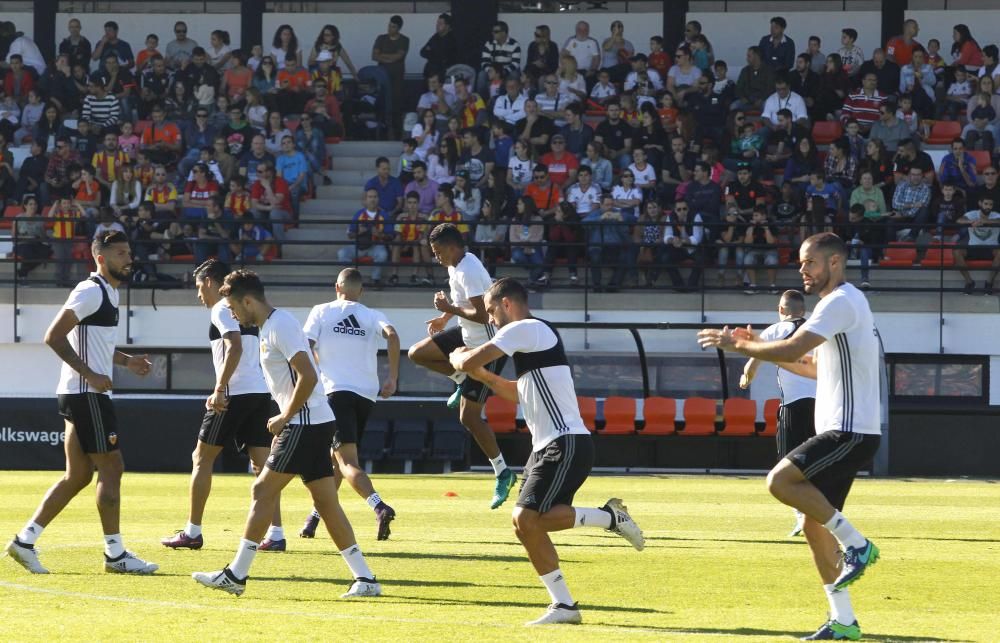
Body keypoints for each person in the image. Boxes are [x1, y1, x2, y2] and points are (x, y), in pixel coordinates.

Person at [698, 232, 884, 642]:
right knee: (814, 527)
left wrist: (739, 346)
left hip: (848, 430)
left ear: (834, 262)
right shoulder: (839, 303)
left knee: (779, 481)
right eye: (801, 263)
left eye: (809, 263)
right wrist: (757, 343)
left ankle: (856, 543)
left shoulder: (840, 301)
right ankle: (844, 622)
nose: (802, 270)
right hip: (849, 428)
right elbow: (811, 365)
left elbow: (790, 350)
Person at [449, 277, 644, 626]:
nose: (491, 318)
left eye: (491, 310)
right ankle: (571, 593)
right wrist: (480, 374)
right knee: (527, 524)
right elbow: (515, 391)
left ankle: (569, 597)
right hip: (550, 447)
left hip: (564, 443)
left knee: (526, 519)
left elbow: (470, 359)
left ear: (507, 304)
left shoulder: (526, 328)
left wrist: (460, 357)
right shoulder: (530, 340)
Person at [193, 270, 382, 598]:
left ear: (249, 301)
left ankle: (236, 575)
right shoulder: (271, 326)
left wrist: (284, 415)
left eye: (235, 308)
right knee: (326, 502)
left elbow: (308, 376)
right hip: (314, 421)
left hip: (304, 423)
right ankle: (365, 579)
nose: (234, 316)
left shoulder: (280, 325)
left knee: (261, 491)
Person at [5, 231, 157, 575]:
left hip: (79, 392)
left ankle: (24, 541)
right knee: (112, 468)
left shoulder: (108, 293)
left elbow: (97, 345)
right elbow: (53, 336)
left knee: (77, 476)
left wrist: (126, 360)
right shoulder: (91, 290)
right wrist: (89, 373)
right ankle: (116, 554)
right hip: (86, 394)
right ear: (100, 258)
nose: (128, 258)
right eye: (120, 253)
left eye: (129, 251)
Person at [161, 259, 282, 551]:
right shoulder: (245, 308)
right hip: (260, 393)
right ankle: (276, 535)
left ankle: (192, 532)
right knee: (262, 466)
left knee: (201, 458)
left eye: (200, 286)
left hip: (235, 394)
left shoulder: (221, 308)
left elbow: (234, 346)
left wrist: (219, 389)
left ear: (213, 282)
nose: (198, 294)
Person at [407, 223, 517, 508]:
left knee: (469, 418)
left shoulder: (469, 270)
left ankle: (502, 472)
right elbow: (465, 309)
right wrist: (445, 320)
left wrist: (449, 311)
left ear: (452, 247)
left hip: (487, 347)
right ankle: (460, 379)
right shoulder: (455, 266)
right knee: (418, 353)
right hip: (467, 336)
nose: (436, 257)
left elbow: (482, 316)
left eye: (438, 251)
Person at [298, 267, 399, 541]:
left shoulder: (321, 311)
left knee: (346, 461)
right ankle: (313, 520)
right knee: (335, 460)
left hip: (335, 392)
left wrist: (314, 371)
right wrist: (392, 377)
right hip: (366, 395)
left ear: (337, 287)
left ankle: (379, 506)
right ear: (361, 291)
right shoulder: (372, 315)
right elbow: (392, 335)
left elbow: (305, 344)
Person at [740, 289, 818, 537]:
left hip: (793, 405)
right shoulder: (816, 331)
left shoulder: (775, 330)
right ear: (803, 311)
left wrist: (746, 377)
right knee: (818, 461)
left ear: (781, 310)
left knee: (788, 464)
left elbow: (753, 359)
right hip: (822, 405)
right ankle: (823, 514)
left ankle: (802, 517)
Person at [337, 188, 391, 285]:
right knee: (342, 253)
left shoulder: (384, 215)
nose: (372, 199)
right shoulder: (359, 214)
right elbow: (350, 234)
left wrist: (379, 234)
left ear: (378, 199)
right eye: (370, 197)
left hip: (376, 245)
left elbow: (390, 236)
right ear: (365, 200)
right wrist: (359, 232)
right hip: (359, 245)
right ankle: (351, 279)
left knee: (383, 254)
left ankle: (376, 279)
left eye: (375, 197)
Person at [372, 15, 409, 136]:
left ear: (399, 28)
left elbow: (399, 56)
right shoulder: (381, 38)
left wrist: (383, 57)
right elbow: (374, 56)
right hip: (382, 78)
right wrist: (390, 58)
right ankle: (381, 128)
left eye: (393, 27)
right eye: (389, 25)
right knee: (382, 102)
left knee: (396, 104)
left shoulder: (404, 40)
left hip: (397, 79)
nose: (390, 28)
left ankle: (396, 130)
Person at [955, 195, 1000, 295]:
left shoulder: (996, 215)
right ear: (980, 204)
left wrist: (985, 221)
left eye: (990, 204)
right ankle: (969, 282)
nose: (988, 206)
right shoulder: (973, 214)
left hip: (991, 248)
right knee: (957, 252)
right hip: (973, 247)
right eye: (986, 204)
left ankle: (989, 283)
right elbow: (959, 220)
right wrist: (971, 222)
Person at [419, 13, 458, 80]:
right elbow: (423, 51)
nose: (437, 25)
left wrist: (431, 51)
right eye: (437, 23)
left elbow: (443, 56)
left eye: (440, 23)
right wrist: (432, 52)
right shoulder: (435, 37)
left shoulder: (452, 39)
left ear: (447, 26)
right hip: (429, 74)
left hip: (444, 75)